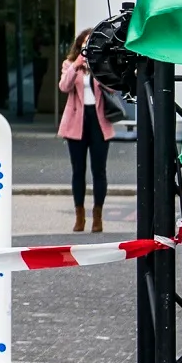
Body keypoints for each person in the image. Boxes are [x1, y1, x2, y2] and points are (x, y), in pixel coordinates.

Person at [56, 28, 113, 235]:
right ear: (79, 46)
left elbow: (113, 88)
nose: (87, 48)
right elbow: (64, 86)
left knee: (99, 170)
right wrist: (77, 65)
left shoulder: (101, 63)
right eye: (84, 44)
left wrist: (98, 66)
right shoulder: (69, 64)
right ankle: (79, 215)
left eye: (91, 43)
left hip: (98, 121)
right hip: (76, 121)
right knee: (78, 170)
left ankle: (97, 216)